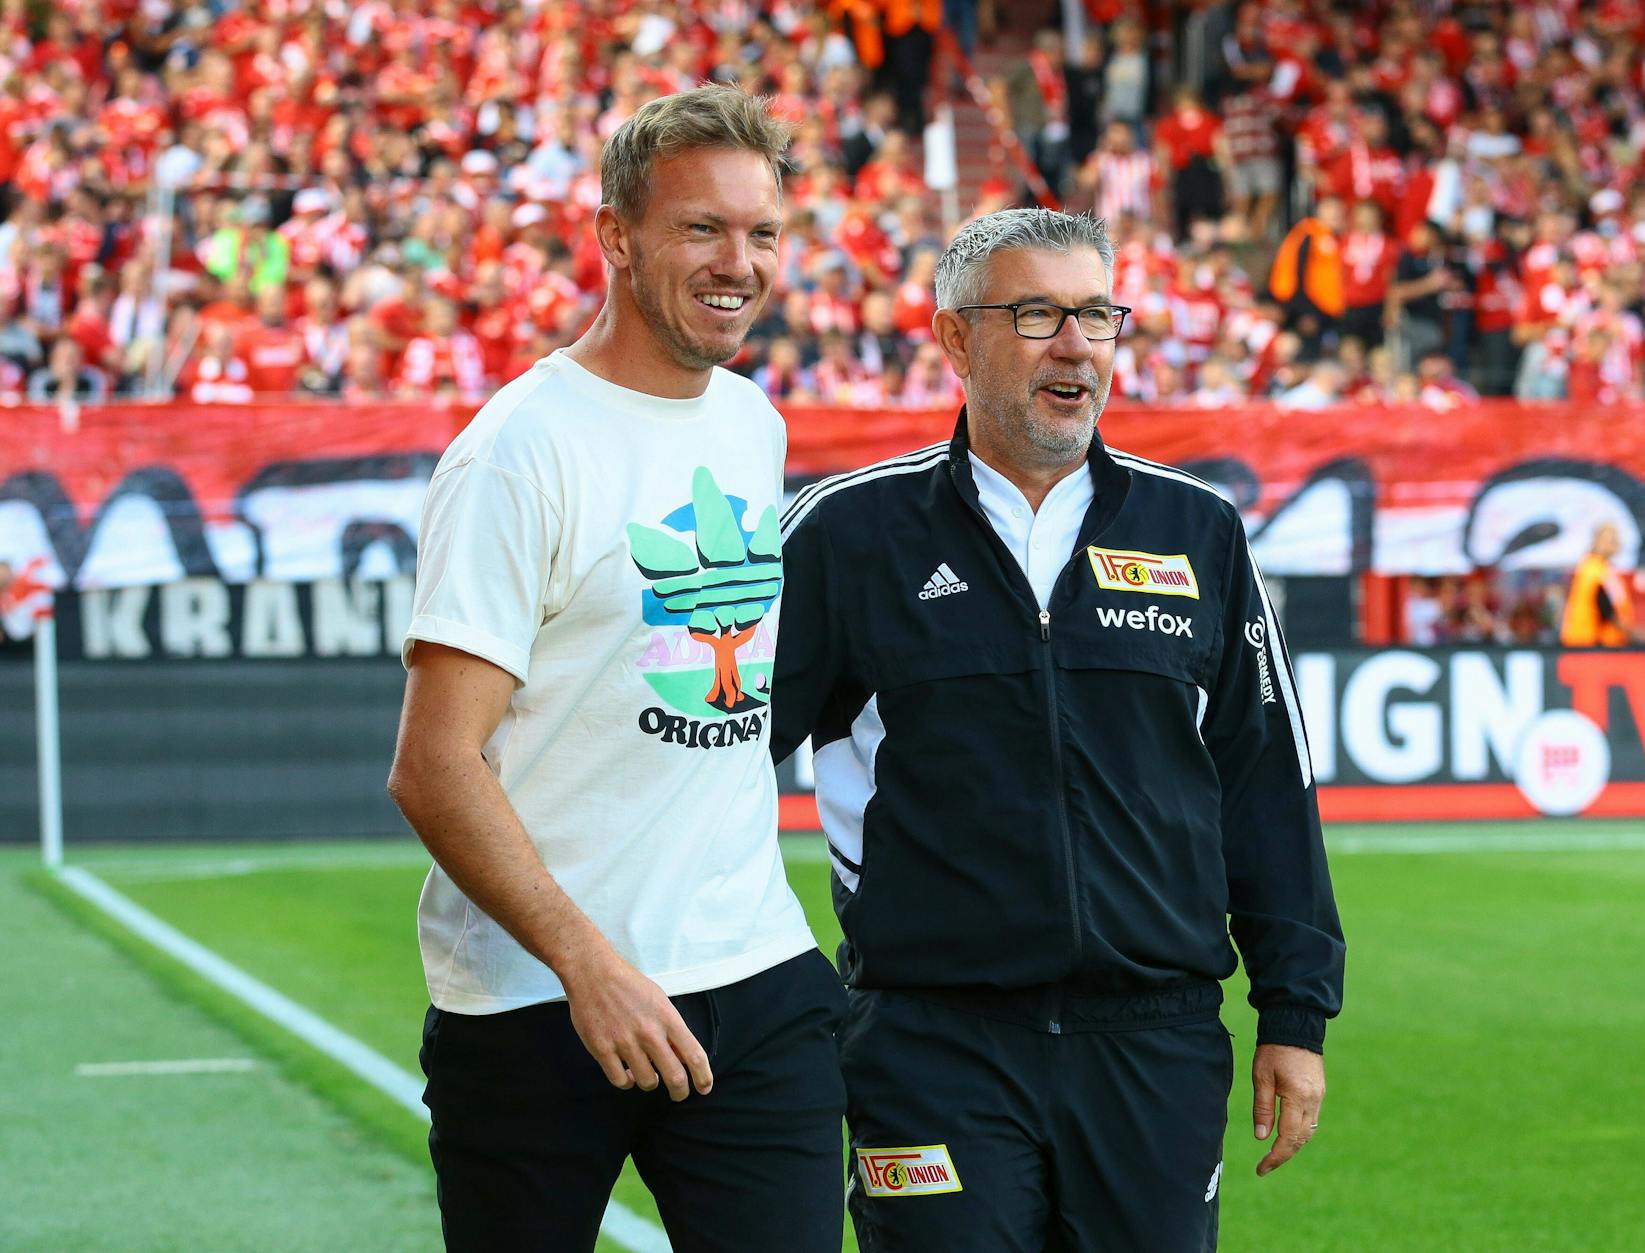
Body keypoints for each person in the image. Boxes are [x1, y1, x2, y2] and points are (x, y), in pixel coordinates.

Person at [770, 208, 1344, 1252]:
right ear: (954, 339)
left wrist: (1293, 1013)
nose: (1074, 343)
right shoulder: (848, 533)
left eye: (1095, 314)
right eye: (1035, 313)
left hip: (1153, 1044)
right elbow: (716, 757)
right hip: (928, 1044)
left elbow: (1264, 781)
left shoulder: (1194, 528)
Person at [386, 85, 845, 1253]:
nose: (737, 261)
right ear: (616, 237)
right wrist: (587, 962)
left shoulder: (752, 422)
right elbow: (434, 766)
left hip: (752, 976)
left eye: (761, 232)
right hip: (537, 998)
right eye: (701, 227)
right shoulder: (515, 452)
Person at [1559, 522, 1635, 647]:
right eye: (1611, 539)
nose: (1616, 543)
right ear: (1597, 541)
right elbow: (1604, 605)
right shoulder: (1593, 569)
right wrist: (1631, 631)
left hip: (1596, 641)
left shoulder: (1601, 567)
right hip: (1589, 642)